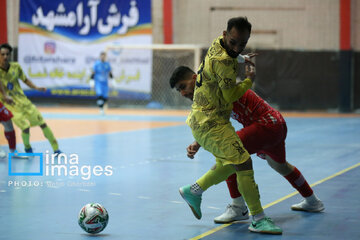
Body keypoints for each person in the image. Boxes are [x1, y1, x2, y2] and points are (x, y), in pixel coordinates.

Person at [170, 65, 325, 224]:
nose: (182, 93)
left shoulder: (212, 86)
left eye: (183, 86)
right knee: (281, 166)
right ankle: (313, 201)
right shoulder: (206, 93)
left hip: (265, 125)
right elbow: (217, 120)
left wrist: (243, 69)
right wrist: (198, 143)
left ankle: (227, 202)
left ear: (195, 78)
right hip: (276, 123)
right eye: (178, 90)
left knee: (228, 153)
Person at [170, 17, 282, 234]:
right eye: (233, 42)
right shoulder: (224, 62)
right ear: (224, 35)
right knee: (243, 163)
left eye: (242, 44)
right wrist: (249, 79)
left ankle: (194, 191)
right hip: (211, 124)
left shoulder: (216, 44)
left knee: (231, 163)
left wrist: (240, 57)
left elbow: (229, 57)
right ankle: (258, 218)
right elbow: (230, 94)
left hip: (209, 122)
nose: (236, 48)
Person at [0, 43, 62, 155]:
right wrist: (5, 96)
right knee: (25, 127)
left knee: (42, 123)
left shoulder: (16, 67)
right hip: (10, 105)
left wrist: (36, 87)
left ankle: (56, 149)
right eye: (2, 54)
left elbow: (25, 80)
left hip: (24, 101)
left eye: (7, 54)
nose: (5, 57)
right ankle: (28, 148)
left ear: (10, 55)